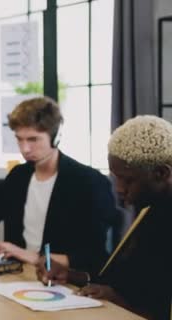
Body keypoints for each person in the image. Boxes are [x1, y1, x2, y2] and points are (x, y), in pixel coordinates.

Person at [37, 115, 172, 320]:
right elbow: (122, 280)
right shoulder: (149, 210)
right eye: (116, 177)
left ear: (161, 173)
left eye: (128, 180)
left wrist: (120, 301)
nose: (118, 189)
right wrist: (72, 275)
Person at [0, 96, 118, 275]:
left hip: (61, 281)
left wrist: (31, 256)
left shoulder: (89, 182)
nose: (25, 149)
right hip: (18, 276)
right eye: (19, 139)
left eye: (33, 139)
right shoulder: (18, 176)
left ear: (56, 137)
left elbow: (94, 257)